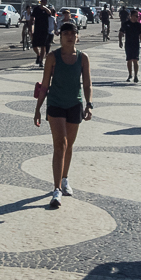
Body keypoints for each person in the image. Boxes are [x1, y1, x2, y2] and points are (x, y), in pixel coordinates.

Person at [35, 21, 93, 209]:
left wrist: (89, 104)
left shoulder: (83, 58)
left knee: (69, 145)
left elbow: (87, 84)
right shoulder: (52, 57)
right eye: (65, 33)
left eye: (72, 33)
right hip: (56, 104)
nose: (69, 36)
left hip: (75, 104)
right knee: (60, 144)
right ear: (60, 36)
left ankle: (65, 178)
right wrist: (37, 109)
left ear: (77, 36)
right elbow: (44, 85)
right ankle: (56, 190)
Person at [121, 9, 141, 82]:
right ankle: (130, 74)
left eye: (138, 16)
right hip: (128, 44)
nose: (137, 17)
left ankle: (136, 75)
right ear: (131, 16)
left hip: (136, 44)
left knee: (135, 60)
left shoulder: (138, 25)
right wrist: (120, 41)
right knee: (129, 60)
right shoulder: (126, 24)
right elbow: (121, 32)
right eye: (136, 16)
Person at [31, 0, 55, 67]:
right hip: (37, 29)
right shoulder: (36, 9)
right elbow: (32, 18)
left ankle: (41, 61)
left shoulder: (47, 9)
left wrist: (44, 8)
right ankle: (38, 54)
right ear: (40, 1)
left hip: (44, 30)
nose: (43, 3)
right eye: (42, 1)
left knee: (43, 46)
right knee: (34, 45)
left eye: (45, 2)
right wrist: (31, 27)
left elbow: (49, 13)